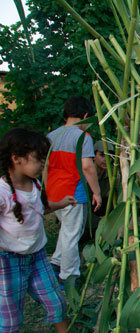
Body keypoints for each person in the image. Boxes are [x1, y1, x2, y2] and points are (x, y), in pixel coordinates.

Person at [0, 128, 77, 332]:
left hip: (38, 257)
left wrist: (61, 203)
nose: (44, 163)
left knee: (57, 303)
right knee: (10, 319)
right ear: (17, 159)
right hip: (8, 263)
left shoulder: (35, 184)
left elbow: (39, 208)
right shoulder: (2, 191)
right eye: (39, 158)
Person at [46, 96, 102, 283]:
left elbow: (44, 167)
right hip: (73, 194)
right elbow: (87, 167)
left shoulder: (52, 136)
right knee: (72, 235)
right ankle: (69, 276)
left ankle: (56, 262)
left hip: (54, 193)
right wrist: (97, 192)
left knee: (66, 231)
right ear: (86, 116)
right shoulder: (82, 137)